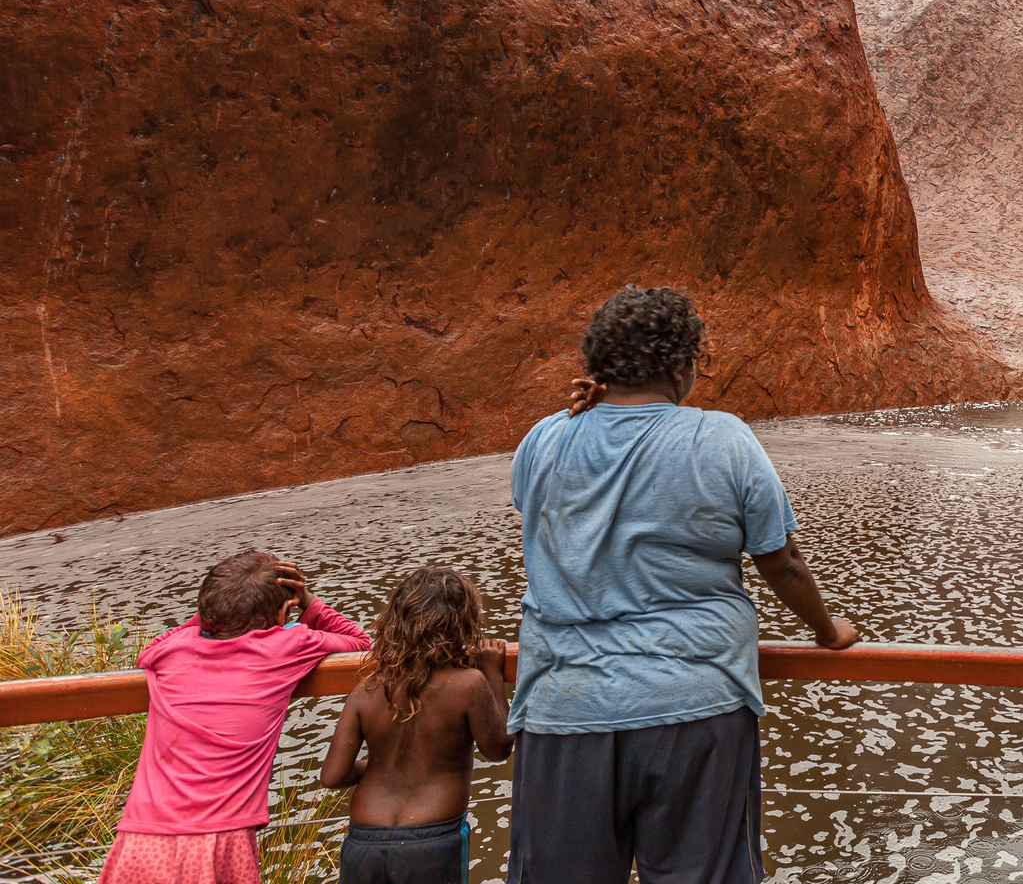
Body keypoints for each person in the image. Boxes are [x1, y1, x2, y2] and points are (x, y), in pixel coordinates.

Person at [506, 285, 860, 884]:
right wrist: (828, 631)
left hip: (564, 707)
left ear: (599, 366)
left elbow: (541, 513)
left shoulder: (545, 438)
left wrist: (587, 417)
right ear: (680, 364)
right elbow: (784, 564)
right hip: (695, 705)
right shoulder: (721, 438)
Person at [98, 552, 370, 884]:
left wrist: (209, 617)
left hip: (140, 836)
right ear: (284, 613)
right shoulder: (289, 643)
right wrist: (308, 602)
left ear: (206, 613)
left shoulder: (172, 650)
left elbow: (150, 649)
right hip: (223, 839)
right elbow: (359, 644)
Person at [319, 567, 514, 884]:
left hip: (363, 839)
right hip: (432, 841)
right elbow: (497, 748)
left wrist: (379, 764)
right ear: (461, 624)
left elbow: (332, 776)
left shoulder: (365, 690)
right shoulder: (469, 684)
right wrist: (493, 674)